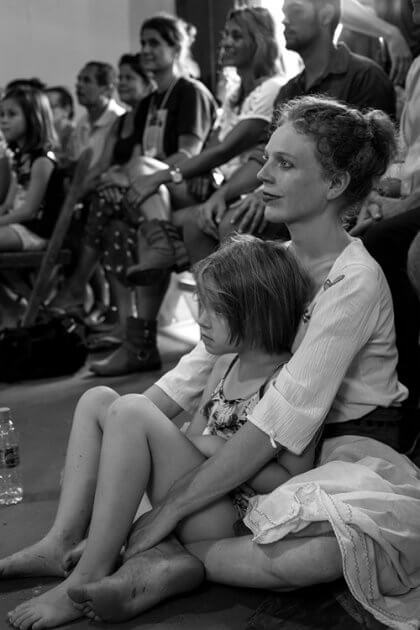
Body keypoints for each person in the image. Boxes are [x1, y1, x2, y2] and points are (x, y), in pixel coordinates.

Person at [6, 96, 420, 630]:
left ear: (336, 184)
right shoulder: (281, 261)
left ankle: (152, 557)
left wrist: (173, 505)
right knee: (108, 403)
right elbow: (200, 365)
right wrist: (115, 429)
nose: (263, 174)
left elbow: (284, 421)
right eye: (267, 157)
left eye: (285, 164)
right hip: (253, 437)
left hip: (336, 449)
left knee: (311, 557)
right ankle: (68, 543)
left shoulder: (354, 280)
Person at [2, 235, 315, 630]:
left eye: (215, 310)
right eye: (202, 306)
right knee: (97, 398)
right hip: (191, 497)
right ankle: (62, 540)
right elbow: (190, 448)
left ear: (258, 314)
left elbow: (295, 482)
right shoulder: (224, 367)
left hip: (233, 514)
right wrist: (195, 445)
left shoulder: (286, 382)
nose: (202, 319)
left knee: (132, 410)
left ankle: (91, 573)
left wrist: (215, 447)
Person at [90, 5, 285, 376]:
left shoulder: (266, 88)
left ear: (260, 42)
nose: (224, 43)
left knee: (149, 186)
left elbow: (224, 150)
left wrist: (164, 177)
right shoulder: (232, 95)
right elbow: (212, 146)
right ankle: (144, 341)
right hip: (205, 185)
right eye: (225, 35)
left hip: (234, 188)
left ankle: (199, 335)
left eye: (236, 36)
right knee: (128, 217)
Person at [0, 85, 64, 252]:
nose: (4, 120)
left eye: (12, 114)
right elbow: (8, 204)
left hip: (34, 232)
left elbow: (29, 211)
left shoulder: (42, 161)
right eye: (2, 114)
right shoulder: (20, 158)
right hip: (16, 225)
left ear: (33, 118)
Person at [45, 86, 76, 169]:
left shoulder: (75, 135)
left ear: (66, 110)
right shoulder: (46, 135)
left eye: (49, 106)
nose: (44, 112)